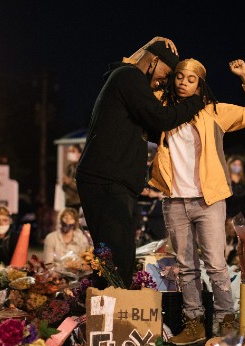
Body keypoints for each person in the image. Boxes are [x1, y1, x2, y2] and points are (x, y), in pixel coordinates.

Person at [149, 58, 245, 345]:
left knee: (215, 263)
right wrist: (153, 55)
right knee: (185, 265)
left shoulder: (214, 112)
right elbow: (137, 82)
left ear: (200, 84)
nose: (183, 83)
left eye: (191, 79)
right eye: (179, 77)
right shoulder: (163, 109)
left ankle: (225, 321)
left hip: (208, 199)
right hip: (174, 199)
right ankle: (194, 324)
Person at [76, 37, 205, 288]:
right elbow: (160, 118)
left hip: (113, 181)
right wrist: (195, 101)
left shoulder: (127, 80)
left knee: (118, 256)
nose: (164, 81)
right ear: (153, 60)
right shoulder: (128, 77)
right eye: (166, 74)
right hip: (105, 179)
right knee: (115, 258)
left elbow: (157, 130)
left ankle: (108, 312)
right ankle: (111, 315)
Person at [225, 156, 245, 221]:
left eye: (239, 165)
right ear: (229, 165)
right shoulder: (225, 182)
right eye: (235, 164)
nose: (237, 167)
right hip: (230, 219)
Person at [62, 145, 82, 211]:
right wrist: (64, 183)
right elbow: (64, 187)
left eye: (73, 151)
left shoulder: (81, 167)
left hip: (78, 203)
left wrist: (69, 182)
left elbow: (80, 186)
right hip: (69, 202)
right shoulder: (69, 166)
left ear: (80, 153)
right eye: (69, 151)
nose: (70, 153)